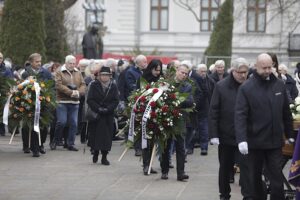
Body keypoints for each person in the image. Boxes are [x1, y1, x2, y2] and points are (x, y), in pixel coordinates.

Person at [235, 53, 294, 199]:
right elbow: (240, 115)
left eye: (270, 67)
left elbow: (286, 112)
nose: (268, 70)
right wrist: (241, 139)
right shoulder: (247, 88)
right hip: (255, 142)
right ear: (256, 67)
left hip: (274, 142)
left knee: (276, 180)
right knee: (254, 178)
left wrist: (290, 134)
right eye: (264, 68)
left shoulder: (279, 85)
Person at [209, 58, 249, 200]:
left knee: (246, 168)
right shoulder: (221, 86)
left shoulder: (249, 85)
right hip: (226, 135)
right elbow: (214, 111)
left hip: (245, 136)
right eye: (240, 72)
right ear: (233, 71)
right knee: (225, 168)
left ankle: (247, 194)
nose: (243, 75)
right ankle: (224, 194)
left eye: (245, 72)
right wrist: (214, 134)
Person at [160, 63, 194, 181]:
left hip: (180, 119)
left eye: (186, 73)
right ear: (177, 71)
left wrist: (175, 100)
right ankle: (164, 171)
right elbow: (161, 98)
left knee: (180, 146)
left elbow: (190, 101)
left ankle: (181, 172)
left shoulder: (187, 86)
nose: (183, 75)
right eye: (182, 72)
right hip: (167, 117)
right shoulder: (167, 83)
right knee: (166, 145)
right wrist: (175, 99)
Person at [50, 55, 86, 151]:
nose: (72, 65)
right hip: (62, 101)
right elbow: (58, 85)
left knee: (74, 123)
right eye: (70, 63)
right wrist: (71, 92)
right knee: (62, 122)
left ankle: (70, 143)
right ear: (65, 63)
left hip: (75, 102)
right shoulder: (59, 72)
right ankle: (55, 140)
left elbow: (83, 84)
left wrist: (78, 92)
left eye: (74, 63)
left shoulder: (78, 72)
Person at [87, 66, 119, 165]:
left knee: (107, 137)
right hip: (96, 114)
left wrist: (108, 109)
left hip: (108, 115)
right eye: (103, 75)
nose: (105, 77)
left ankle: (104, 156)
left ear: (110, 76)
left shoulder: (113, 86)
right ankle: (95, 152)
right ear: (99, 76)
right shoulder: (94, 85)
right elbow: (90, 99)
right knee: (95, 135)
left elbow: (115, 100)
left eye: (107, 75)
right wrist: (98, 108)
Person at [136, 59, 163, 175]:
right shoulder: (143, 79)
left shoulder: (161, 80)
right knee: (145, 139)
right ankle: (146, 165)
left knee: (153, 140)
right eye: (155, 70)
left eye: (159, 70)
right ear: (151, 68)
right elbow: (138, 94)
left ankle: (150, 164)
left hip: (157, 113)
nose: (157, 72)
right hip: (145, 113)